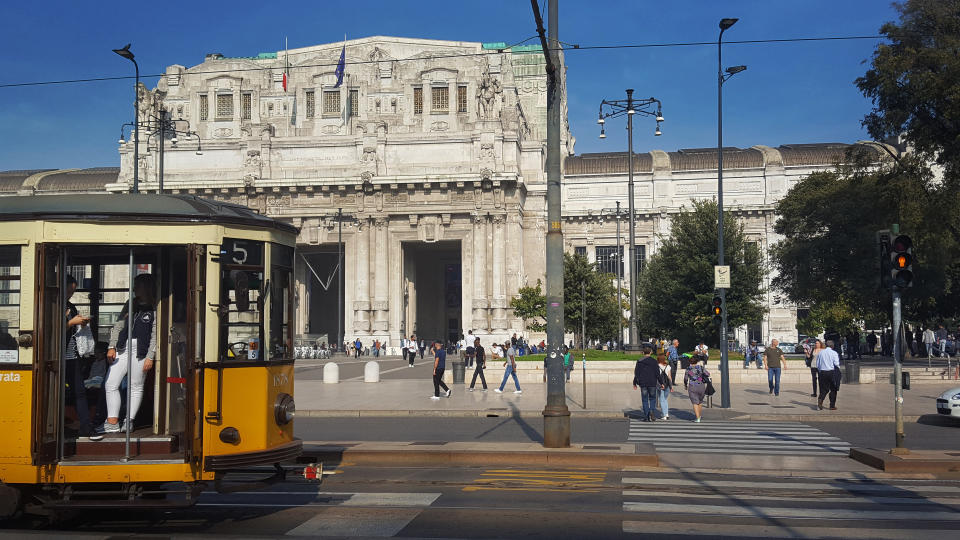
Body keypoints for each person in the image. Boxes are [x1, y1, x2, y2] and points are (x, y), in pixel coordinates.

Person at [97, 273, 157, 435]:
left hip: (141, 351)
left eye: (137, 285)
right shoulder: (130, 303)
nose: (134, 288)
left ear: (146, 287)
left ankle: (128, 421)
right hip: (123, 348)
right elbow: (118, 326)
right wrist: (112, 346)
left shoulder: (155, 306)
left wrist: (150, 356)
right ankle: (112, 421)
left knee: (136, 386)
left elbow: (156, 333)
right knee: (111, 383)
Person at [64, 275, 95, 438]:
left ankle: (86, 426)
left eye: (73, 291)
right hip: (55, 358)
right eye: (69, 290)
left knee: (79, 392)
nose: (70, 294)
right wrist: (70, 323)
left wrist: (81, 322)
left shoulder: (71, 307)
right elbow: (49, 331)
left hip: (72, 356)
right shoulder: (50, 303)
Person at [633, 344, 660, 422]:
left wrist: (634, 383)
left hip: (643, 383)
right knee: (652, 398)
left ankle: (646, 416)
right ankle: (652, 410)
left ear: (643, 352)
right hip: (652, 382)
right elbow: (657, 373)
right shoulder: (654, 361)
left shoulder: (640, 361)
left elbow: (637, 373)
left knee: (644, 400)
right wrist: (661, 382)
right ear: (651, 352)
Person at [816, 339, 842, 410]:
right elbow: (836, 363)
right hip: (831, 372)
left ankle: (820, 401)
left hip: (823, 372)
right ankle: (832, 405)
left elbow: (817, 364)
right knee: (833, 389)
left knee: (823, 389)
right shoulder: (834, 353)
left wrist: (820, 370)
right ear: (832, 346)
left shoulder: (821, 353)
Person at [684, 355, 710, 423]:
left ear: (690, 362)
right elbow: (708, 374)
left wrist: (685, 385)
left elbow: (686, 378)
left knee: (695, 402)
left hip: (692, 386)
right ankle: (699, 416)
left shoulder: (688, 369)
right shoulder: (701, 367)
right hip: (701, 386)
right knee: (700, 402)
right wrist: (700, 377)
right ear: (696, 361)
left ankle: (697, 418)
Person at [656, 354, 673, 420]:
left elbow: (657, 377)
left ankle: (664, 415)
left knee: (662, 400)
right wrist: (671, 386)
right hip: (667, 385)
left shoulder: (657, 366)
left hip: (660, 385)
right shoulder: (668, 366)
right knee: (665, 399)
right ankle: (666, 413)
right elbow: (670, 377)